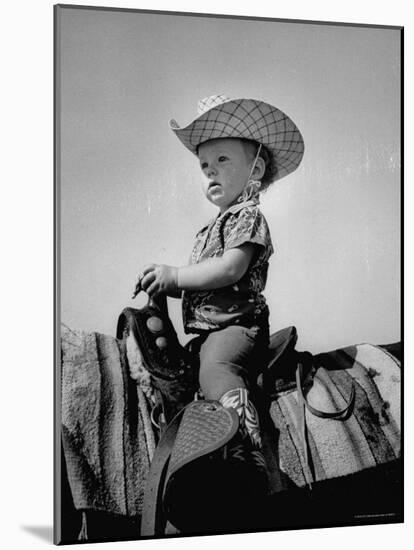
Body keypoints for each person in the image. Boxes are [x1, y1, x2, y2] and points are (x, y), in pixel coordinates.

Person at [137, 94, 304, 495]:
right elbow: (203, 287)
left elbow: (230, 269)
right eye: (204, 166)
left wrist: (176, 275)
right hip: (208, 332)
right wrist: (164, 288)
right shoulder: (207, 230)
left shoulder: (247, 217)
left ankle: (245, 452)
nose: (210, 171)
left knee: (216, 369)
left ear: (256, 170)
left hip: (238, 330)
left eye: (223, 161)